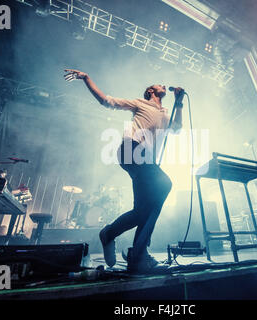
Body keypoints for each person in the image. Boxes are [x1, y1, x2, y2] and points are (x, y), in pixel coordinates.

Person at [64, 69, 184, 272]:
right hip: (132, 150)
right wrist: (86, 78)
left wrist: (178, 102)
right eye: (158, 84)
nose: (163, 85)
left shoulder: (165, 113)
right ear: (150, 90)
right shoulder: (140, 103)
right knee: (165, 184)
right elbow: (106, 101)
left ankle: (117, 239)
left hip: (146, 159)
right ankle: (138, 252)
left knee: (143, 210)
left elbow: (177, 128)